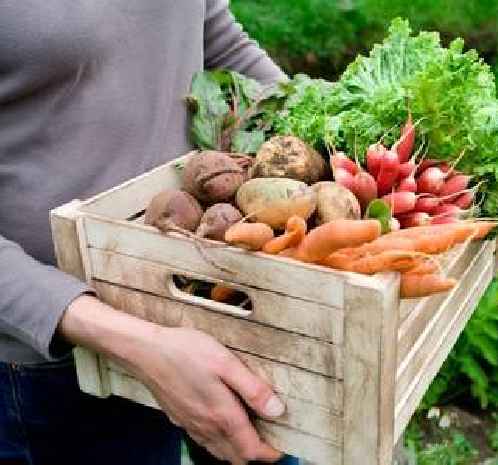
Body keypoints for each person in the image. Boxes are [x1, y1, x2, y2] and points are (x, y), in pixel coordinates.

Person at [0, 1, 298, 464]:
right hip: (61, 364)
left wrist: (324, 126)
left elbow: (213, 34)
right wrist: (142, 344)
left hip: (212, 283)